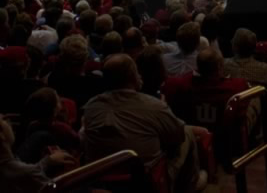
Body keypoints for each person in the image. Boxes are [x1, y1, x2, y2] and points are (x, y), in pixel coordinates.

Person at [82, 54, 206, 192]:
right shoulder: (154, 105)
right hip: (147, 182)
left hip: (101, 181)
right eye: (137, 72)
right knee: (186, 133)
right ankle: (191, 184)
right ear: (133, 77)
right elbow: (177, 136)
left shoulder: (91, 106)